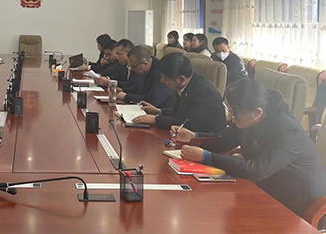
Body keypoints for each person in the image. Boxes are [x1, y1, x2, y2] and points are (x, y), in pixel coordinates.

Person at [173, 79, 326, 218]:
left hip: (300, 204)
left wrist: (206, 157)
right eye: (229, 110)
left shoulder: (289, 131)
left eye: (234, 113)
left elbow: (256, 170)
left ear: (257, 112)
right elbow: (224, 141)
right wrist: (194, 137)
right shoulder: (247, 118)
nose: (231, 117)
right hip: (266, 190)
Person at [132, 52, 226, 133]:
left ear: (181, 79)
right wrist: (158, 111)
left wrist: (156, 120)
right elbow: (179, 112)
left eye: (165, 78)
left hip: (206, 139)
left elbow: (190, 124)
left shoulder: (204, 92)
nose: (162, 81)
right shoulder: (185, 84)